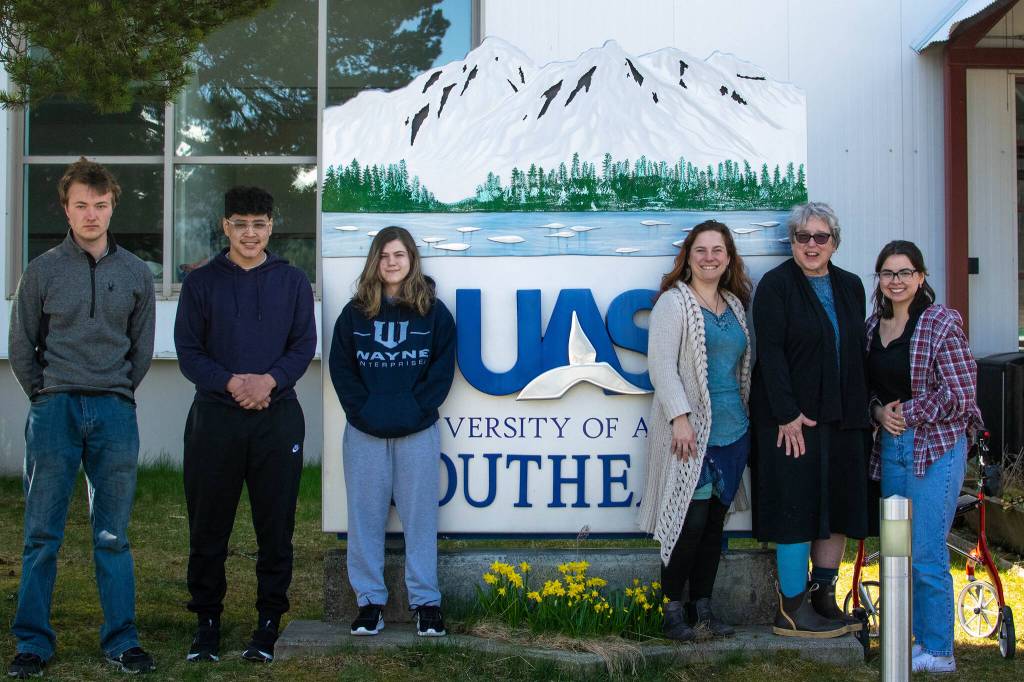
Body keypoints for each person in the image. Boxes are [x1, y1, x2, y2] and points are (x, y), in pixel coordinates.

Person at [7, 158, 157, 677]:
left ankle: (122, 639)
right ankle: (32, 642)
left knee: (112, 533)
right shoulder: (43, 270)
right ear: (66, 210)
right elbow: (21, 346)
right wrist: (46, 397)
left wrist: (115, 394)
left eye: (100, 205)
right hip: (55, 410)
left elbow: (141, 352)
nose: (91, 214)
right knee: (41, 533)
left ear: (112, 206)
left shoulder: (137, 273)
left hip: (114, 411)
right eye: (80, 206)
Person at [173, 186, 316, 663]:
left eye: (259, 224)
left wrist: (269, 382)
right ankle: (207, 624)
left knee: (275, 527)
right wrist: (233, 383)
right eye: (240, 224)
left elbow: (302, 346)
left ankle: (269, 624)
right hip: (215, 420)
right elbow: (189, 352)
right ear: (225, 226)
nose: (249, 233)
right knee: (209, 526)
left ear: (271, 226)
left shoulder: (293, 281)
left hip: (277, 419)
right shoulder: (200, 283)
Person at [750, 202, 871, 638]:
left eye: (821, 237)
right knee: (795, 508)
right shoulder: (776, 286)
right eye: (803, 237)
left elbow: (858, 351)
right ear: (793, 243)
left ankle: (824, 599)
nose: (812, 245)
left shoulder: (852, 286)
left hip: (843, 418)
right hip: (792, 423)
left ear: (834, 242)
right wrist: (786, 413)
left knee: (837, 506)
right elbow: (772, 354)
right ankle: (792, 609)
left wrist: (868, 408)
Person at [328, 226, 456, 638]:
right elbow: (341, 369)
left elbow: (441, 371)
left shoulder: (434, 313)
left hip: (417, 431)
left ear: (412, 259)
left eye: (399, 255)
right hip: (365, 431)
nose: (392, 263)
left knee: (420, 518)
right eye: (384, 256)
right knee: (364, 518)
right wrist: (362, 410)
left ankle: (427, 604)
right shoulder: (354, 314)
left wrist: (417, 409)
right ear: (374, 261)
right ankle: (369, 603)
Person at [865, 240, 982, 673]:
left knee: (927, 549)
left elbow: (960, 394)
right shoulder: (871, 327)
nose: (896, 281)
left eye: (904, 272)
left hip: (934, 447)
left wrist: (907, 413)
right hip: (890, 448)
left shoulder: (940, 323)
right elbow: (868, 391)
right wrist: (878, 412)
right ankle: (906, 639)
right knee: (897, 550)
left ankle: (939, 650)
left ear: (921, 277)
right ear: (878, 279)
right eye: (887, 273)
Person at [639, 220, 753, 641]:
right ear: (688, 256)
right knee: (688, 522)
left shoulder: (735, 306)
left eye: (717, 250)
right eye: (701, 250)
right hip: (690, 434)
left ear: (728, 258)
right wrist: (680, 418)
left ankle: (702, 607)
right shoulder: (674, 303)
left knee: (713, 526)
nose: (709, 257)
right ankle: (671, 609)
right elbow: (662, 365)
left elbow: (742, 369)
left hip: (733, 433)